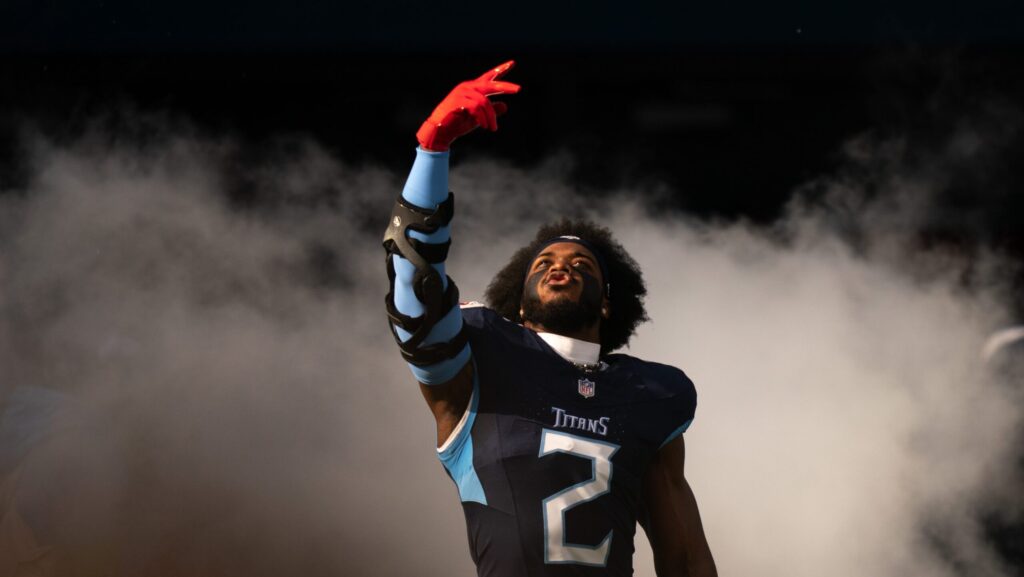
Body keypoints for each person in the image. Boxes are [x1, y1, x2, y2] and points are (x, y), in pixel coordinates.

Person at [383, 61, 717, 577]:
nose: (560, 266)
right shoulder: (483, 358)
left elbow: (685, 556)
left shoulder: (651, 395)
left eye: (581, 265)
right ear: (517, 304)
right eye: (544, 264)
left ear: (608, 302)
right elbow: (416, 292)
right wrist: (432, 150)